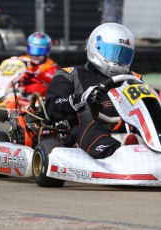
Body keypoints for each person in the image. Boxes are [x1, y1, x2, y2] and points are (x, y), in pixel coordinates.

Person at [44, 23, 141, 159]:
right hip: (89, 128)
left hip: (129, 124)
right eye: (113, 52)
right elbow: (52, 107)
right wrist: (80, 99)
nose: (118, 60)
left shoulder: (134, 79)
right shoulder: (70, 75)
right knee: (91, 124)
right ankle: (114, 153)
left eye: (123, 55)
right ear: (96, 47)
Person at [18, 32, 59, 97]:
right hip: (18, 88)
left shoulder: (51, 66)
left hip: (37, 95)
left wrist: (38, 73)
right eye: (33, 49)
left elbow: (55, 83)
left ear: (47, 51)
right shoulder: (22, 59)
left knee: (36, 87)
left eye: (40, 50)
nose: (35, 55)